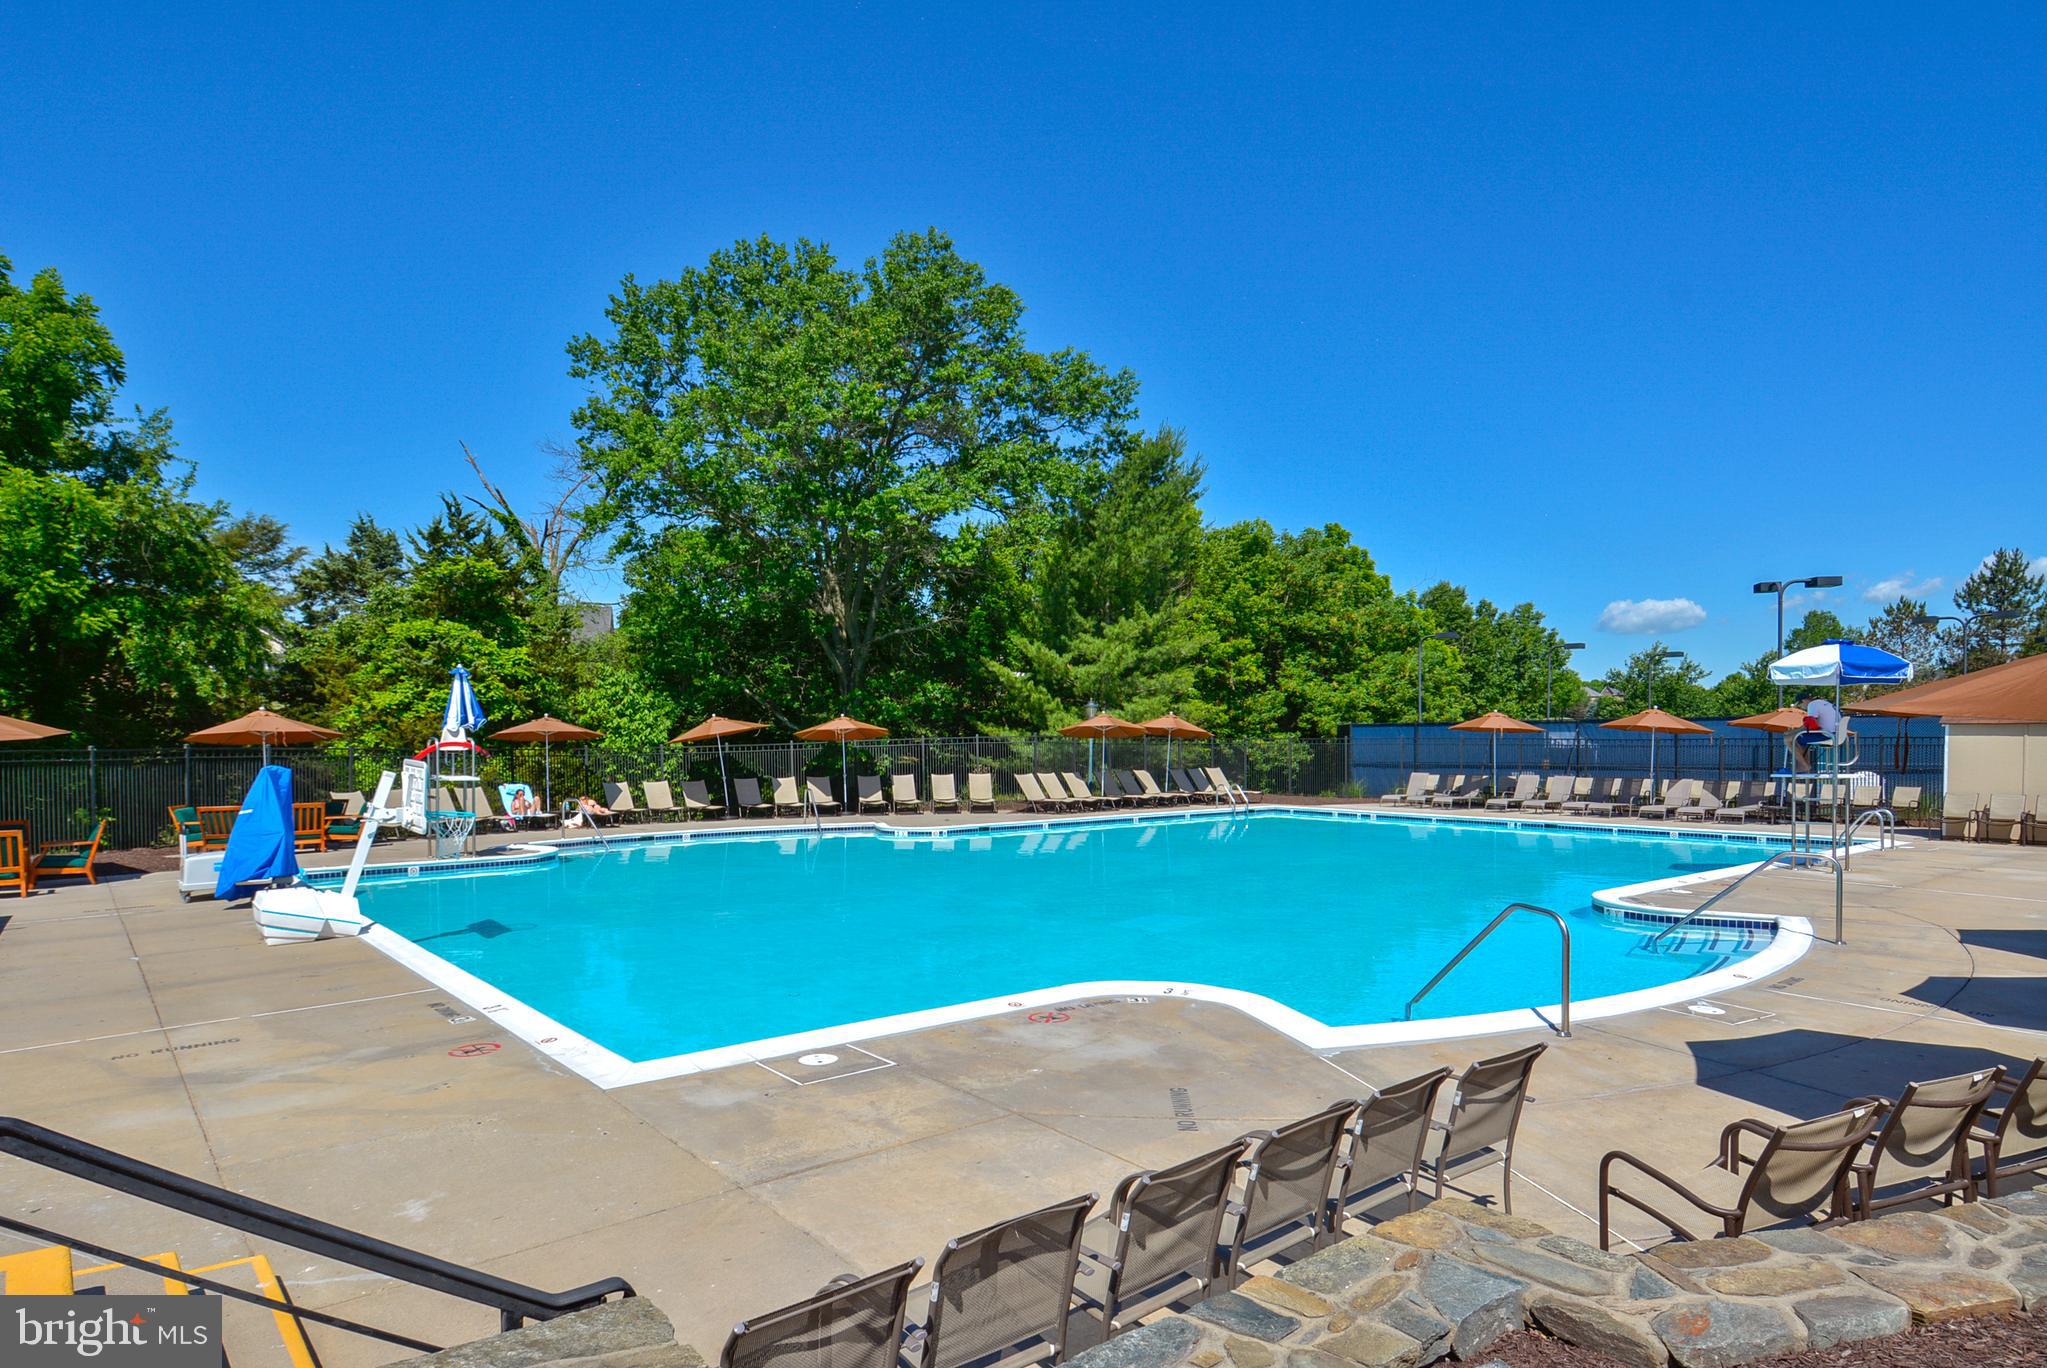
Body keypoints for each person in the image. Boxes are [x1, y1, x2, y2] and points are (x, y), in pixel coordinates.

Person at [1793, 696, 1844, 772]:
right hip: (1838, 735)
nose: (1802, 708)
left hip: (1827, 735)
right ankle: (1805, 765)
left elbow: (1812, 724)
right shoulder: (1827, 703)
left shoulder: (1812, 704)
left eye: (1800, 705)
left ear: (1804, 700)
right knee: (1802, 738)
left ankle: (1803, 766)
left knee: (1793, 739)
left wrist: (1793, 732)